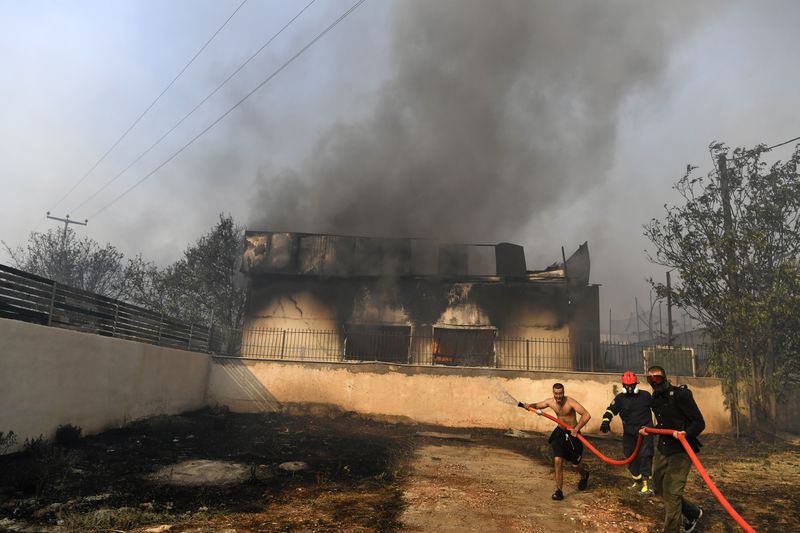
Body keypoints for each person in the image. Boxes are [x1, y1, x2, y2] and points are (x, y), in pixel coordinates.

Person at [639, 366, 705, 533]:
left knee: (671, 492)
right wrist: (649, 430)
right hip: (663, 447)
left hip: (682, 450)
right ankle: (692, 512)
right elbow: (663, 425)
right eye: (650, 379)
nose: (654, 382)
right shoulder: (655, 399)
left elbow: (699, 422)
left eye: (658, 378)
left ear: (665, 378)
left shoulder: (680, 394)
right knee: (659, 487)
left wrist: (685, 434)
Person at [521, 383, 591, 500]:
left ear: (563, 392)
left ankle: (584, 475)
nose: (558, 396)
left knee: (575, 465)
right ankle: (559, 491)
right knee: (558, 460)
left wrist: (577, 429)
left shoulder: (570, 402)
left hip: (573, 435)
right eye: (556, 394)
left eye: (561, 393)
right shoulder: (550, 402)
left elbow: (586, 415)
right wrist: (529, 406)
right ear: (553, 393)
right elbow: (538, 405)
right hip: (560, 434)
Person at [600, 371, 655, 495]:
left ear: (636, 384)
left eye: (632, 386)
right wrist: (605, 421)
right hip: (629, 433)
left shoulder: (645, 396)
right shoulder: (620, 399)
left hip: (645, 432)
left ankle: (648, 485)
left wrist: (658, 426)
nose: (629, 388)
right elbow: (611, 410)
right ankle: (638, 481)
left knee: (646, 455)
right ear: (623, 386)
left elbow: (657, 408)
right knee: (629, 455)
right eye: (627, 386)